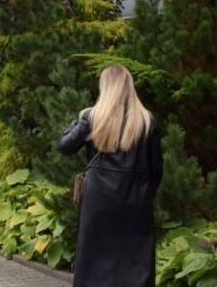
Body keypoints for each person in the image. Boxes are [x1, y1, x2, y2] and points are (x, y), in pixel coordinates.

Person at [58, 64, 163, 286]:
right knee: (135, 261)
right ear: (129, 87)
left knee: (94, 260)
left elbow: (65, 147)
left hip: (98, 202)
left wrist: (80, 122)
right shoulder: (146, 121)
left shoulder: (92, 118)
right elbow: (156, 170)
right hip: (136, 201)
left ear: (105, 87)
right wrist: (145, 195)